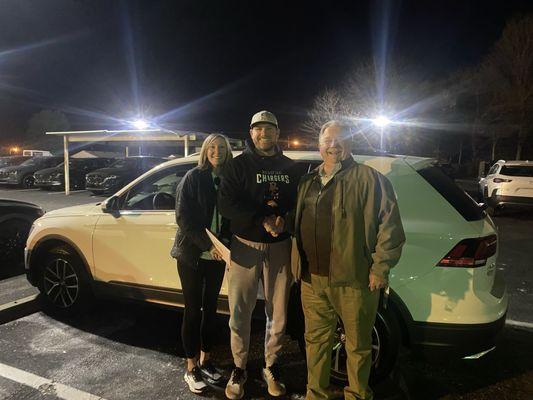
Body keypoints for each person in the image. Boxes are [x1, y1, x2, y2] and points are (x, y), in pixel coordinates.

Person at [292, 120, 406, 400]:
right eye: (328, 140)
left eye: (340, 140)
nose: (334, 145)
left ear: (350, 144)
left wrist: (380, 268)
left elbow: (391, 229)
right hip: (312, 280)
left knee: (357, 346)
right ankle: (315, 394)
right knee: (316, 343)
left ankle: (356, 395)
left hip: (354, 280)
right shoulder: (307, 182)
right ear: (319, 146)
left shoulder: (370, 179)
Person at [218, 110, 299, 399]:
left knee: (277, 313)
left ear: (278, 133)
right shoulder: (237, 166)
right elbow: (226, 205)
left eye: (270, 129)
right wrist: (261, 219)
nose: (264, 133)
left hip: (280, 248)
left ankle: (271, 366)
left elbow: (299, 204)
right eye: (258, 128)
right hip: (245, 246)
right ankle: (239, 367)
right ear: (251, 133)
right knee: (239, 311)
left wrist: (284, 221)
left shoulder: (292, 167)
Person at [170, 133, 233, 394]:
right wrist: (208, 246)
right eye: (212, 147)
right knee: (193, 310)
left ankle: (207, 360)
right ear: (205, 151)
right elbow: (183, 217)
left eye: (221, 147)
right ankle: (191, 367)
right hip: (193, 256)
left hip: (218, 257)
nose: (216, 151)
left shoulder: (230, 180)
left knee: (211, 310)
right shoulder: (194, 178)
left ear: (227, 151)